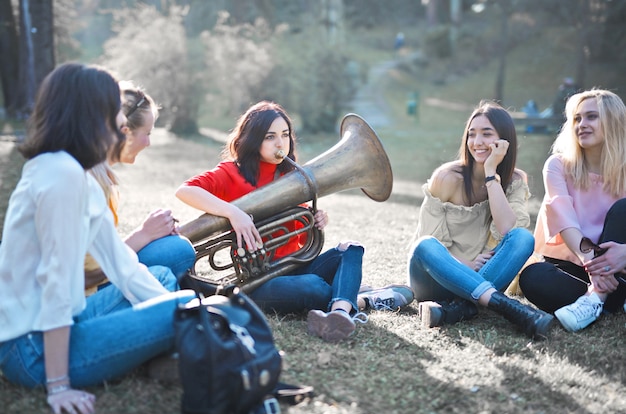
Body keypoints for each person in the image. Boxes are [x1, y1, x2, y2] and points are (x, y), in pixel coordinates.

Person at [0, 63, 195, 414]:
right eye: (115, 113)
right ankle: (168, 345)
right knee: (185, 307)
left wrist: (187, 313)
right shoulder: (60, 175)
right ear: (90, 114)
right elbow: (56, 283)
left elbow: (123, 267)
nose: (123, 124)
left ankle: (167, 342)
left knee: (170, 289)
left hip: (61, 325)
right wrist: (58, 386)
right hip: (29, 351)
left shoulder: (78, 174)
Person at [175, 101, 413, 343]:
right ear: (252, 139)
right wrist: (233, 213)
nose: (280, 143)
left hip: (295, 265)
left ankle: (340, 314)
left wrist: (315, 221)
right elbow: (186, 191)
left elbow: (299, 237)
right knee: (315, 287)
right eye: (270, 137)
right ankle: (360, 299)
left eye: (285, 135)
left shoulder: (291, 176)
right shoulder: (231, 172)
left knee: (351, 249)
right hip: (260, 282)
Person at [407, 100, 554, 340]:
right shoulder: (446, 177)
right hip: (436, 279)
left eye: (487, 134)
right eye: (472, 134)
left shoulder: (515, 180)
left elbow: (508, 229)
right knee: (424, 245)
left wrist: (490, 175)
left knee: (522, 238)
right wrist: (466, 264)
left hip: (485, 275)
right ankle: (504, 306)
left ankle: (459, 309)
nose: (477, 142)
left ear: (504, 141)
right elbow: (428, 240)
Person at [519, 89, 626, 332]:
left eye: (591, 117)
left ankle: (596, 300)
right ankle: (608, 298)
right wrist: (595, 266)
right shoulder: (557, 165)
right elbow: (565, 220)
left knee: (624, 209)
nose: (581, 125)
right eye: (577, 119)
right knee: (533, 277)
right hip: (574, 265)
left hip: (619, 263)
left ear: (614, 122)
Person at [84, 81, 195, 296]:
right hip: (91, 290)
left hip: (99, 276)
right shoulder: (92, 180)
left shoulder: (101, 175)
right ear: (125, 133)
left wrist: (154, 232)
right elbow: (92, 269)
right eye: (148, 133)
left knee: (174, 247)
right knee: (177, 253)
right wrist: (145, 234)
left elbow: (102, 250)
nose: (148, 143)